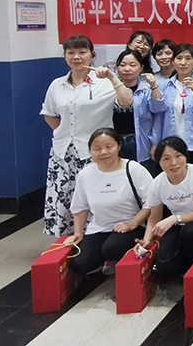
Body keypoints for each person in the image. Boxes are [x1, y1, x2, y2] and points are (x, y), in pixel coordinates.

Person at [41, 35, 133, 236]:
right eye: (71, 52)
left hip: (96, 152)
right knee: (64, 197)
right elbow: (48, 114)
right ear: (65, 55)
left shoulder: (104, 82)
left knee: (94, 197)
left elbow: (127, 101)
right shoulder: (57, 85)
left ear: (92, 54)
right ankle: (68, 240)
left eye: (82, 52)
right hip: (63, 152)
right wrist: (64, 132)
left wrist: (112, 77)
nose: (76, 57)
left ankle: (94, 239)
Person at [66, 128, 154, 275]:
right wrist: (78, 233)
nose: (103, 152)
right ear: (90, 151)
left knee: (112, 249)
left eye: (109, 146)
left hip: (131, 226)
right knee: (78, 264)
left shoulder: (133, 168)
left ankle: (113, 260)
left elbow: (152, 203)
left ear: (118, 146)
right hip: (98, 228)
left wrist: (132, 224)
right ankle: (104, 261)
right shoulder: (85, 174)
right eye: (97, 149)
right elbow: (80, 206)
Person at [137, 137, 193, 278]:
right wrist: (146, 240)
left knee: (190, 232)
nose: (174, 163)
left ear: (185, 156)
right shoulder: (156, 184)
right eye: (166, 159)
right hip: (179, 224)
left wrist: (174, 218)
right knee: (164, 266)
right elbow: (154, 218)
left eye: (178, 156)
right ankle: (185, 268)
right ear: (159, 162)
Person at [157, 43, 193, 167]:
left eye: (188, 58)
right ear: (173, 61)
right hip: (171, 145)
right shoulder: (164, 85)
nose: (183, 62)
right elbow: (158, 115)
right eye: (179, 58)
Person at [111, 50, 164, 172]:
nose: (127, 69)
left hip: (141, 143)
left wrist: (155, 143)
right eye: (122, 65)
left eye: (132, 65)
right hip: (114, 142)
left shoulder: (147, 88)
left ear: (141, 68)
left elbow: (158, 112)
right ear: (117, 67)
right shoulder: (108, 88)